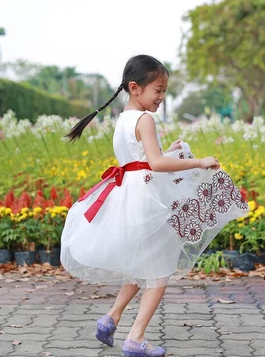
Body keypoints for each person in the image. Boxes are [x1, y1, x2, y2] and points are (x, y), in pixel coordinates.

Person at [61, 55, 249, 357]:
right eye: (157, 90)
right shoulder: (145, 119)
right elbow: (156, 163)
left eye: (164, 91)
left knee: (141, 266)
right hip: (148, 199)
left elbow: (141, 159)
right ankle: (135, 338)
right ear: (135, 88)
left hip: (129, 198)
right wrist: (199, 161)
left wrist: (170, 150)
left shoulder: (124, 119)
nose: (161, 97)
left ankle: (111, 318)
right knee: (159, 271)